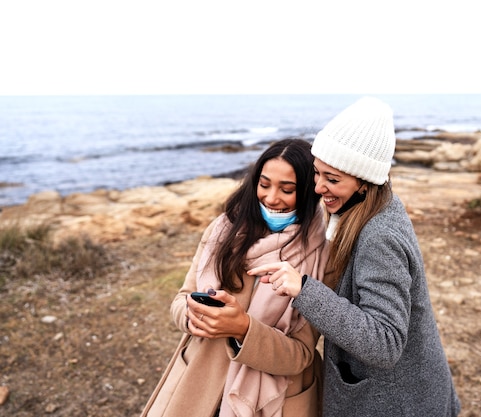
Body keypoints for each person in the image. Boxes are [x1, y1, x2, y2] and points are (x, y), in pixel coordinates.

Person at [248, 98, 461, 416]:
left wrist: (303, 289)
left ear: (365, 182)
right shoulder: (365, 206)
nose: (318, 188)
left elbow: (385, 343)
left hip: (398, 403)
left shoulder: (380, 236)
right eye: (317, 173)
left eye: (333, 179)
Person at [141, 139, 328, 417]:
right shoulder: (223, 230)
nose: (272, 197)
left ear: (309, 193)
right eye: (264, 185)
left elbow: (301, 354)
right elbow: (181, 299)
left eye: (287, 189)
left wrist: (243, 329)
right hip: (199, 381)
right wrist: (194, 317)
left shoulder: (323, 254)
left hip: (271, 399)